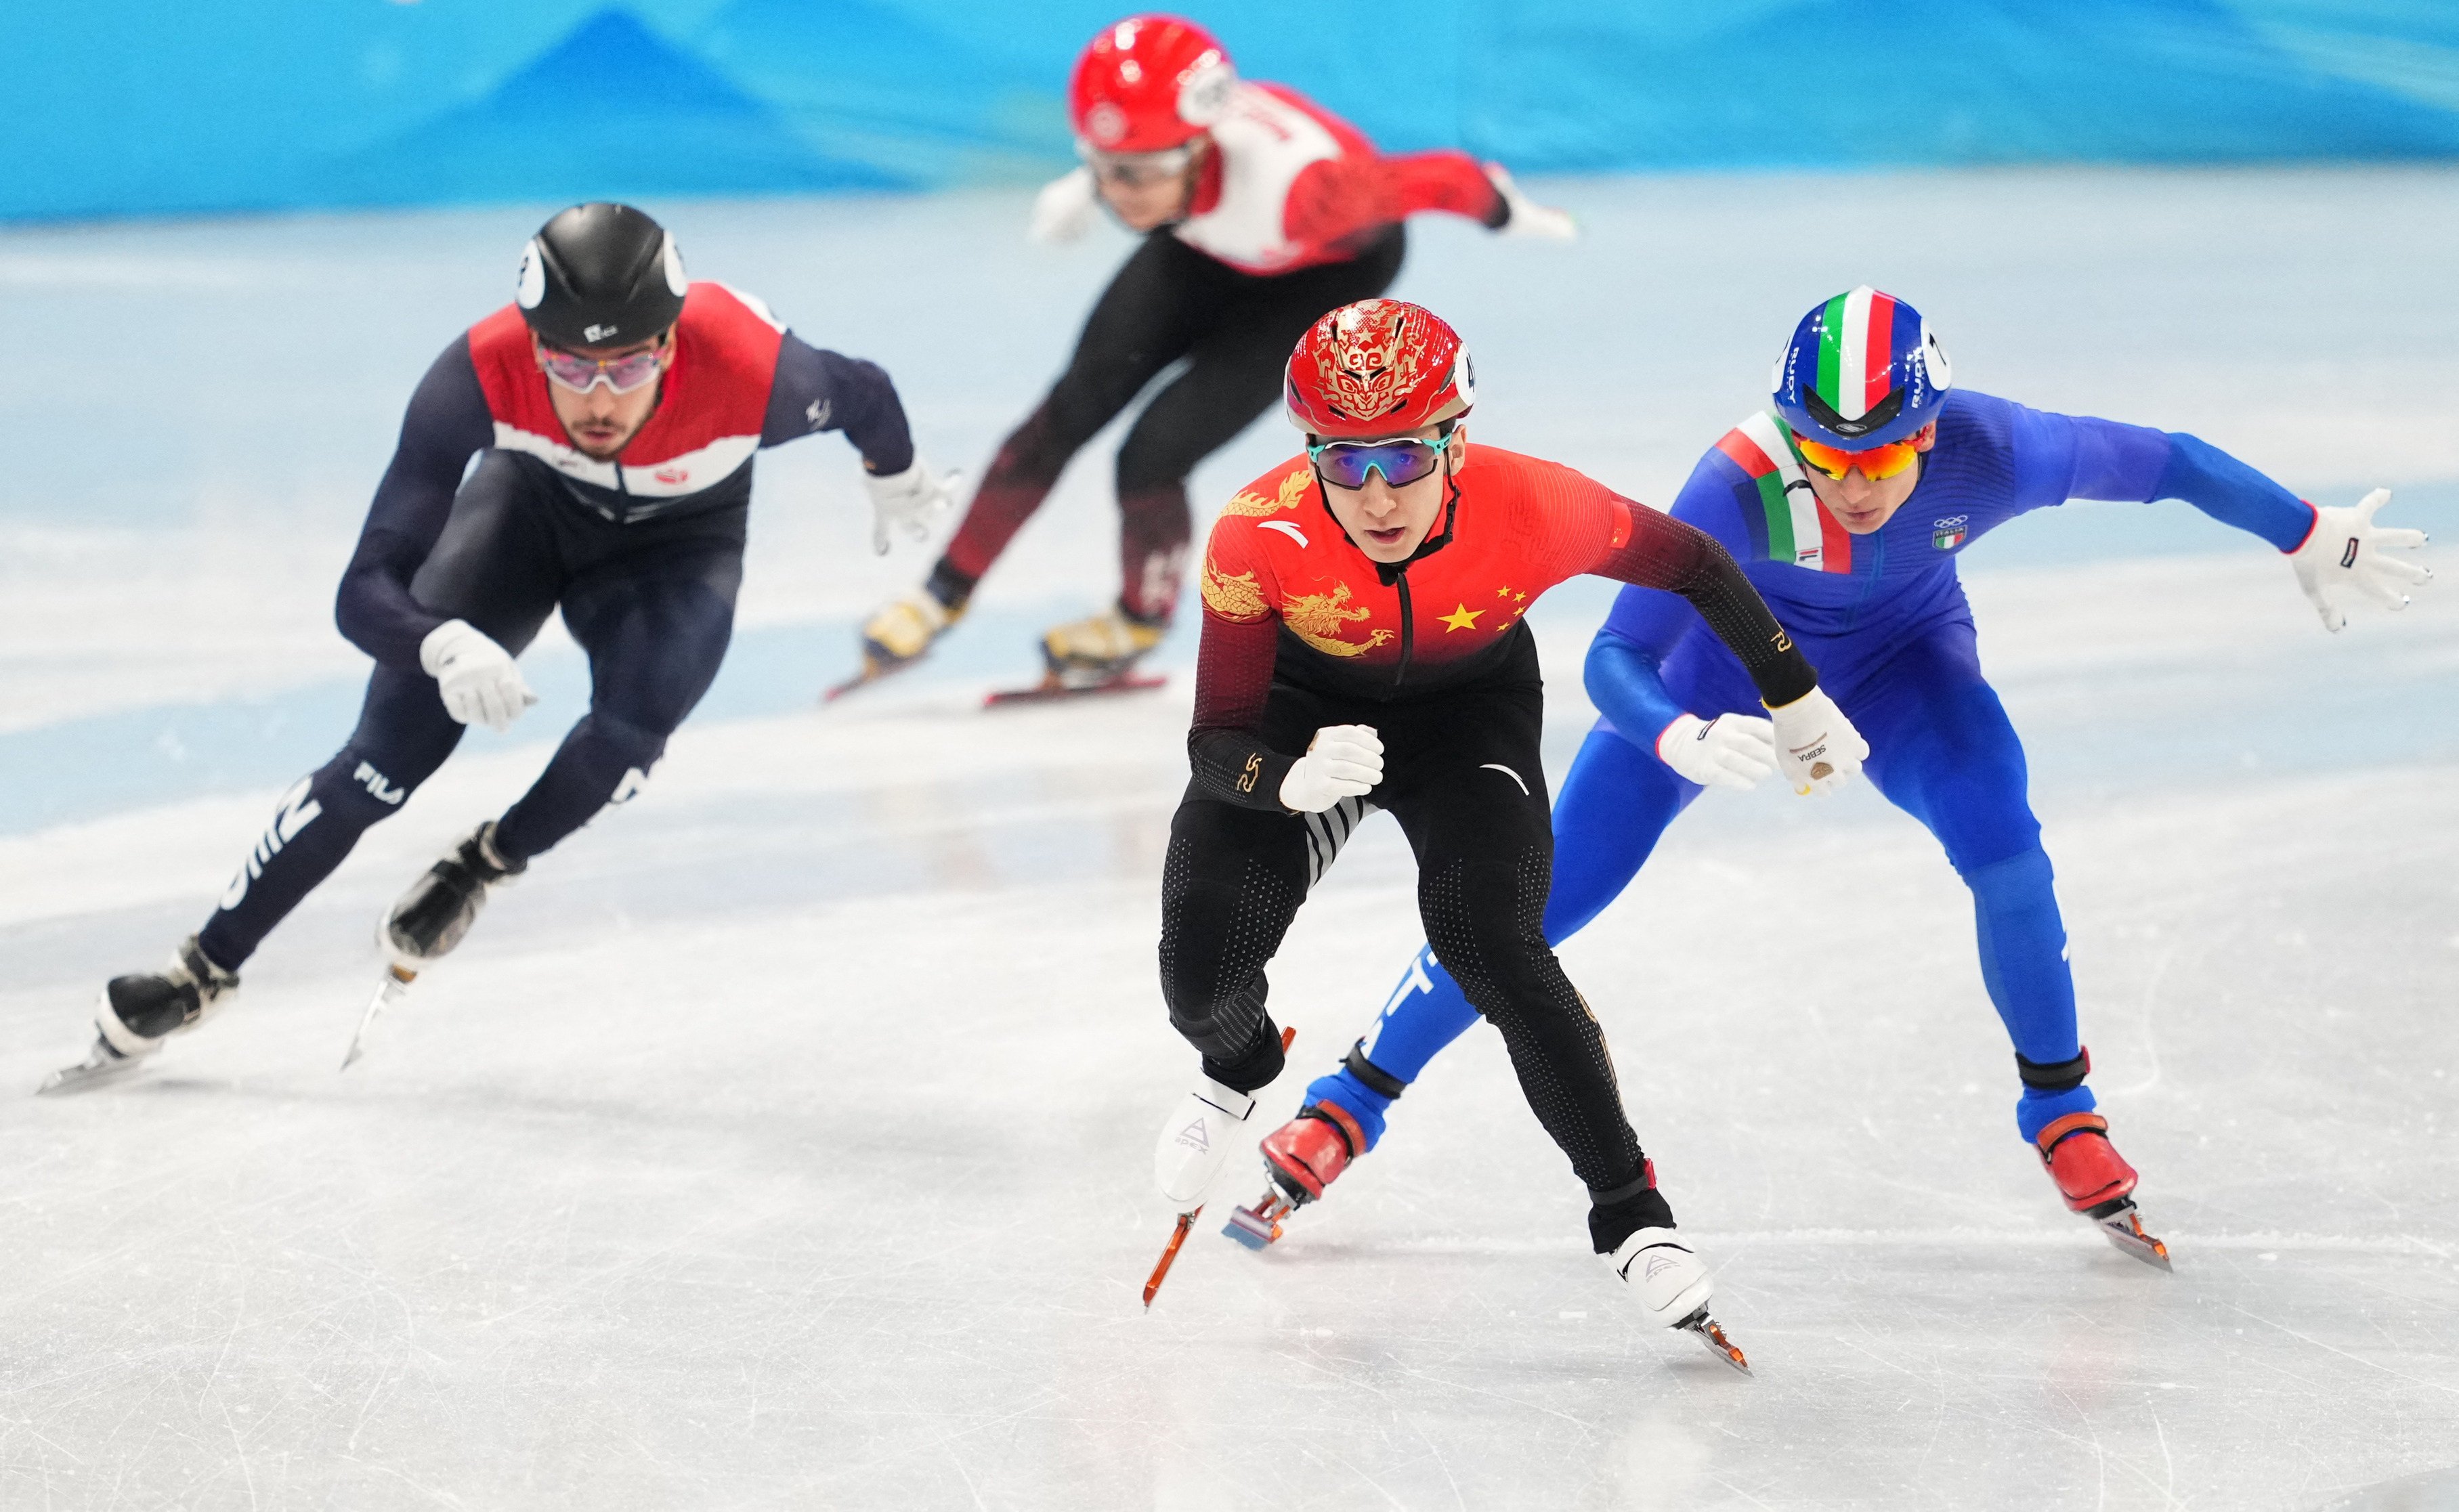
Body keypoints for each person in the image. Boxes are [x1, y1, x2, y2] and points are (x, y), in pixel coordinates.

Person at [1255, 286, 2432, 1268]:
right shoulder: (1737, 482)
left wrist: (2306, 530)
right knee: (1530, 912)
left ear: (1931, 430)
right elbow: (1616, 654)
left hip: (1903, 666)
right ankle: (1349, 1101)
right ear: (1787, 432)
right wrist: (1672, 737)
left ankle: (2061, 1105)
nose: (1856, 480)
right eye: (1826, 454)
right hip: (1717, 675)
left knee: (2008, 851)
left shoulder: (1997, 447)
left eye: (1881, 453)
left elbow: (2168, 463)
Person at [52, 202, 954, 1089]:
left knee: (635, 728)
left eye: (629, 362)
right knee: (382, 762)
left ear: (672, 345)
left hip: (680, 547)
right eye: (567, 363)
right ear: (532, 347)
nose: (598, 396)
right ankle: (204, 967)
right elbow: (362, 590)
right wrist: (441, 644)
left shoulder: (755, 372)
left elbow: (865, 393)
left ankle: (486, 861)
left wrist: (897, 475)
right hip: (526, 512)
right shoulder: (478, 371)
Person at [1145, 297, 1868, 1360]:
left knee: (1491, 941)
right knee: (1197, 979)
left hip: (1465, 718)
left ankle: (1630, 1214)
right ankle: (1241, 1069)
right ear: (1310, 456)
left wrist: (1795, 697)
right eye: (1344, 464)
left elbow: (1701, 567)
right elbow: (1215, 741)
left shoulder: (1532, 504)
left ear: (1453, 441)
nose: (1376, 494)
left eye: (1401, 455)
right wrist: (1285, 776)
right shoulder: (1258, 534)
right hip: (1302, 723)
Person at [848, 14, 1576, 694]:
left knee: (1151, 455)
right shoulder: (1165, 157)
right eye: (1102, 168)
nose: (1117, 196)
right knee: (1067, 410)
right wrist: (1092, 181)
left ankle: (1138, 619)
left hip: (1318, 274)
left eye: (1132, 175)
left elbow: (1442, 179)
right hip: (1203, 242)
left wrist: (1510, 211)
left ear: (1200, 149)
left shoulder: (1307, 193)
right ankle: (941, 593)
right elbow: (1131, 150)